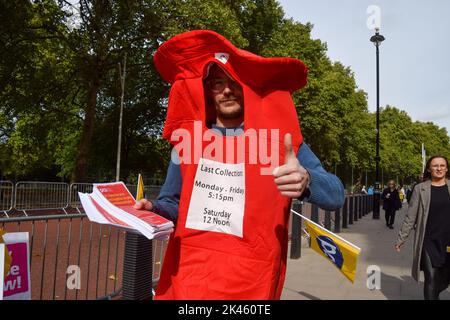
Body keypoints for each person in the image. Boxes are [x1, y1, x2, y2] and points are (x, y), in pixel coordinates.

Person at [134, 30, 345, 299]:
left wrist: (307, 180)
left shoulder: (281, 140)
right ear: (207, 92)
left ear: (247, 88)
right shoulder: (187, 142)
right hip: (191, 279)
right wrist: (151, 209)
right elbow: (173, 204)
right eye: (217, 84)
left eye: (234, 82)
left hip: (251, 284)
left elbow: (337, 194)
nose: (226, 91)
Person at [395, 155, 450, 300]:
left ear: (447, 168)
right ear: (429, 169)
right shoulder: (420, 189)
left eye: (442, 165)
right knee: (431, 279)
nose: (439, 168)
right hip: (428, 241)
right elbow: (410, 216)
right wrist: (402, 237)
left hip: (448, 242)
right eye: (435, 166)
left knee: (444, 279)